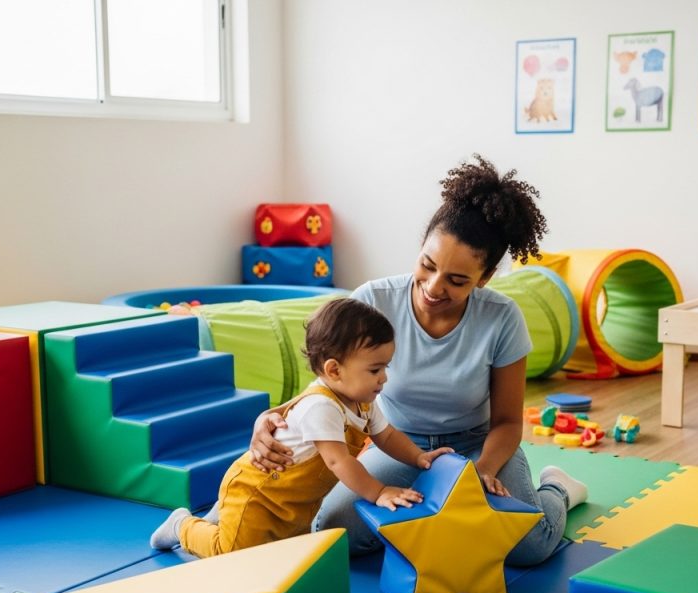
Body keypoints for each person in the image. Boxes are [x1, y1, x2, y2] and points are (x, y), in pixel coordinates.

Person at [249, 154, 588, 567]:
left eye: (457, 280)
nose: (433, 286)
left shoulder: (501, 318)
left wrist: (480, 471)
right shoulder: (373, 300)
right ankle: (434, 515)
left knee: (530, 546)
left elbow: (507, 423)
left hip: (477, 446)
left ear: (484, 279)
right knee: (335, 532)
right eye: (427, 265)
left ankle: (556, 488)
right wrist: (272, 416)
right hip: (397, 442)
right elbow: (329, 380)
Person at [150, 298, 452, 557]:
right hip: (259, 494)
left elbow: (386, 436)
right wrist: (379, 491)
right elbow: (338, 461)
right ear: (334, 370)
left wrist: (418, 457)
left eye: (386, 367)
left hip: (294, 501)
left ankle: (221, 515)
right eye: (375, 369)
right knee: (230, 552)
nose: (384, 377)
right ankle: (183, 525)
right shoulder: (322, 407)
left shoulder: (362, 401)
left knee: (286, 557)